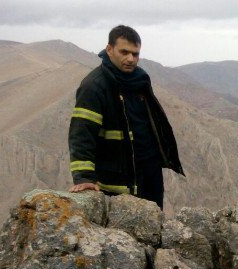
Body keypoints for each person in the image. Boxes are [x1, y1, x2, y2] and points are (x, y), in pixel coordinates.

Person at [68, 25, 183, 208]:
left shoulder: (140, 80)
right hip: (117, 184)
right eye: (124, 52)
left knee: (152, 232)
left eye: (135, 54)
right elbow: (82, 133)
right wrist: (83, 177)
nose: (130, 59)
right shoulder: (95, 86)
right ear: (109, 49)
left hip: (149, 177)